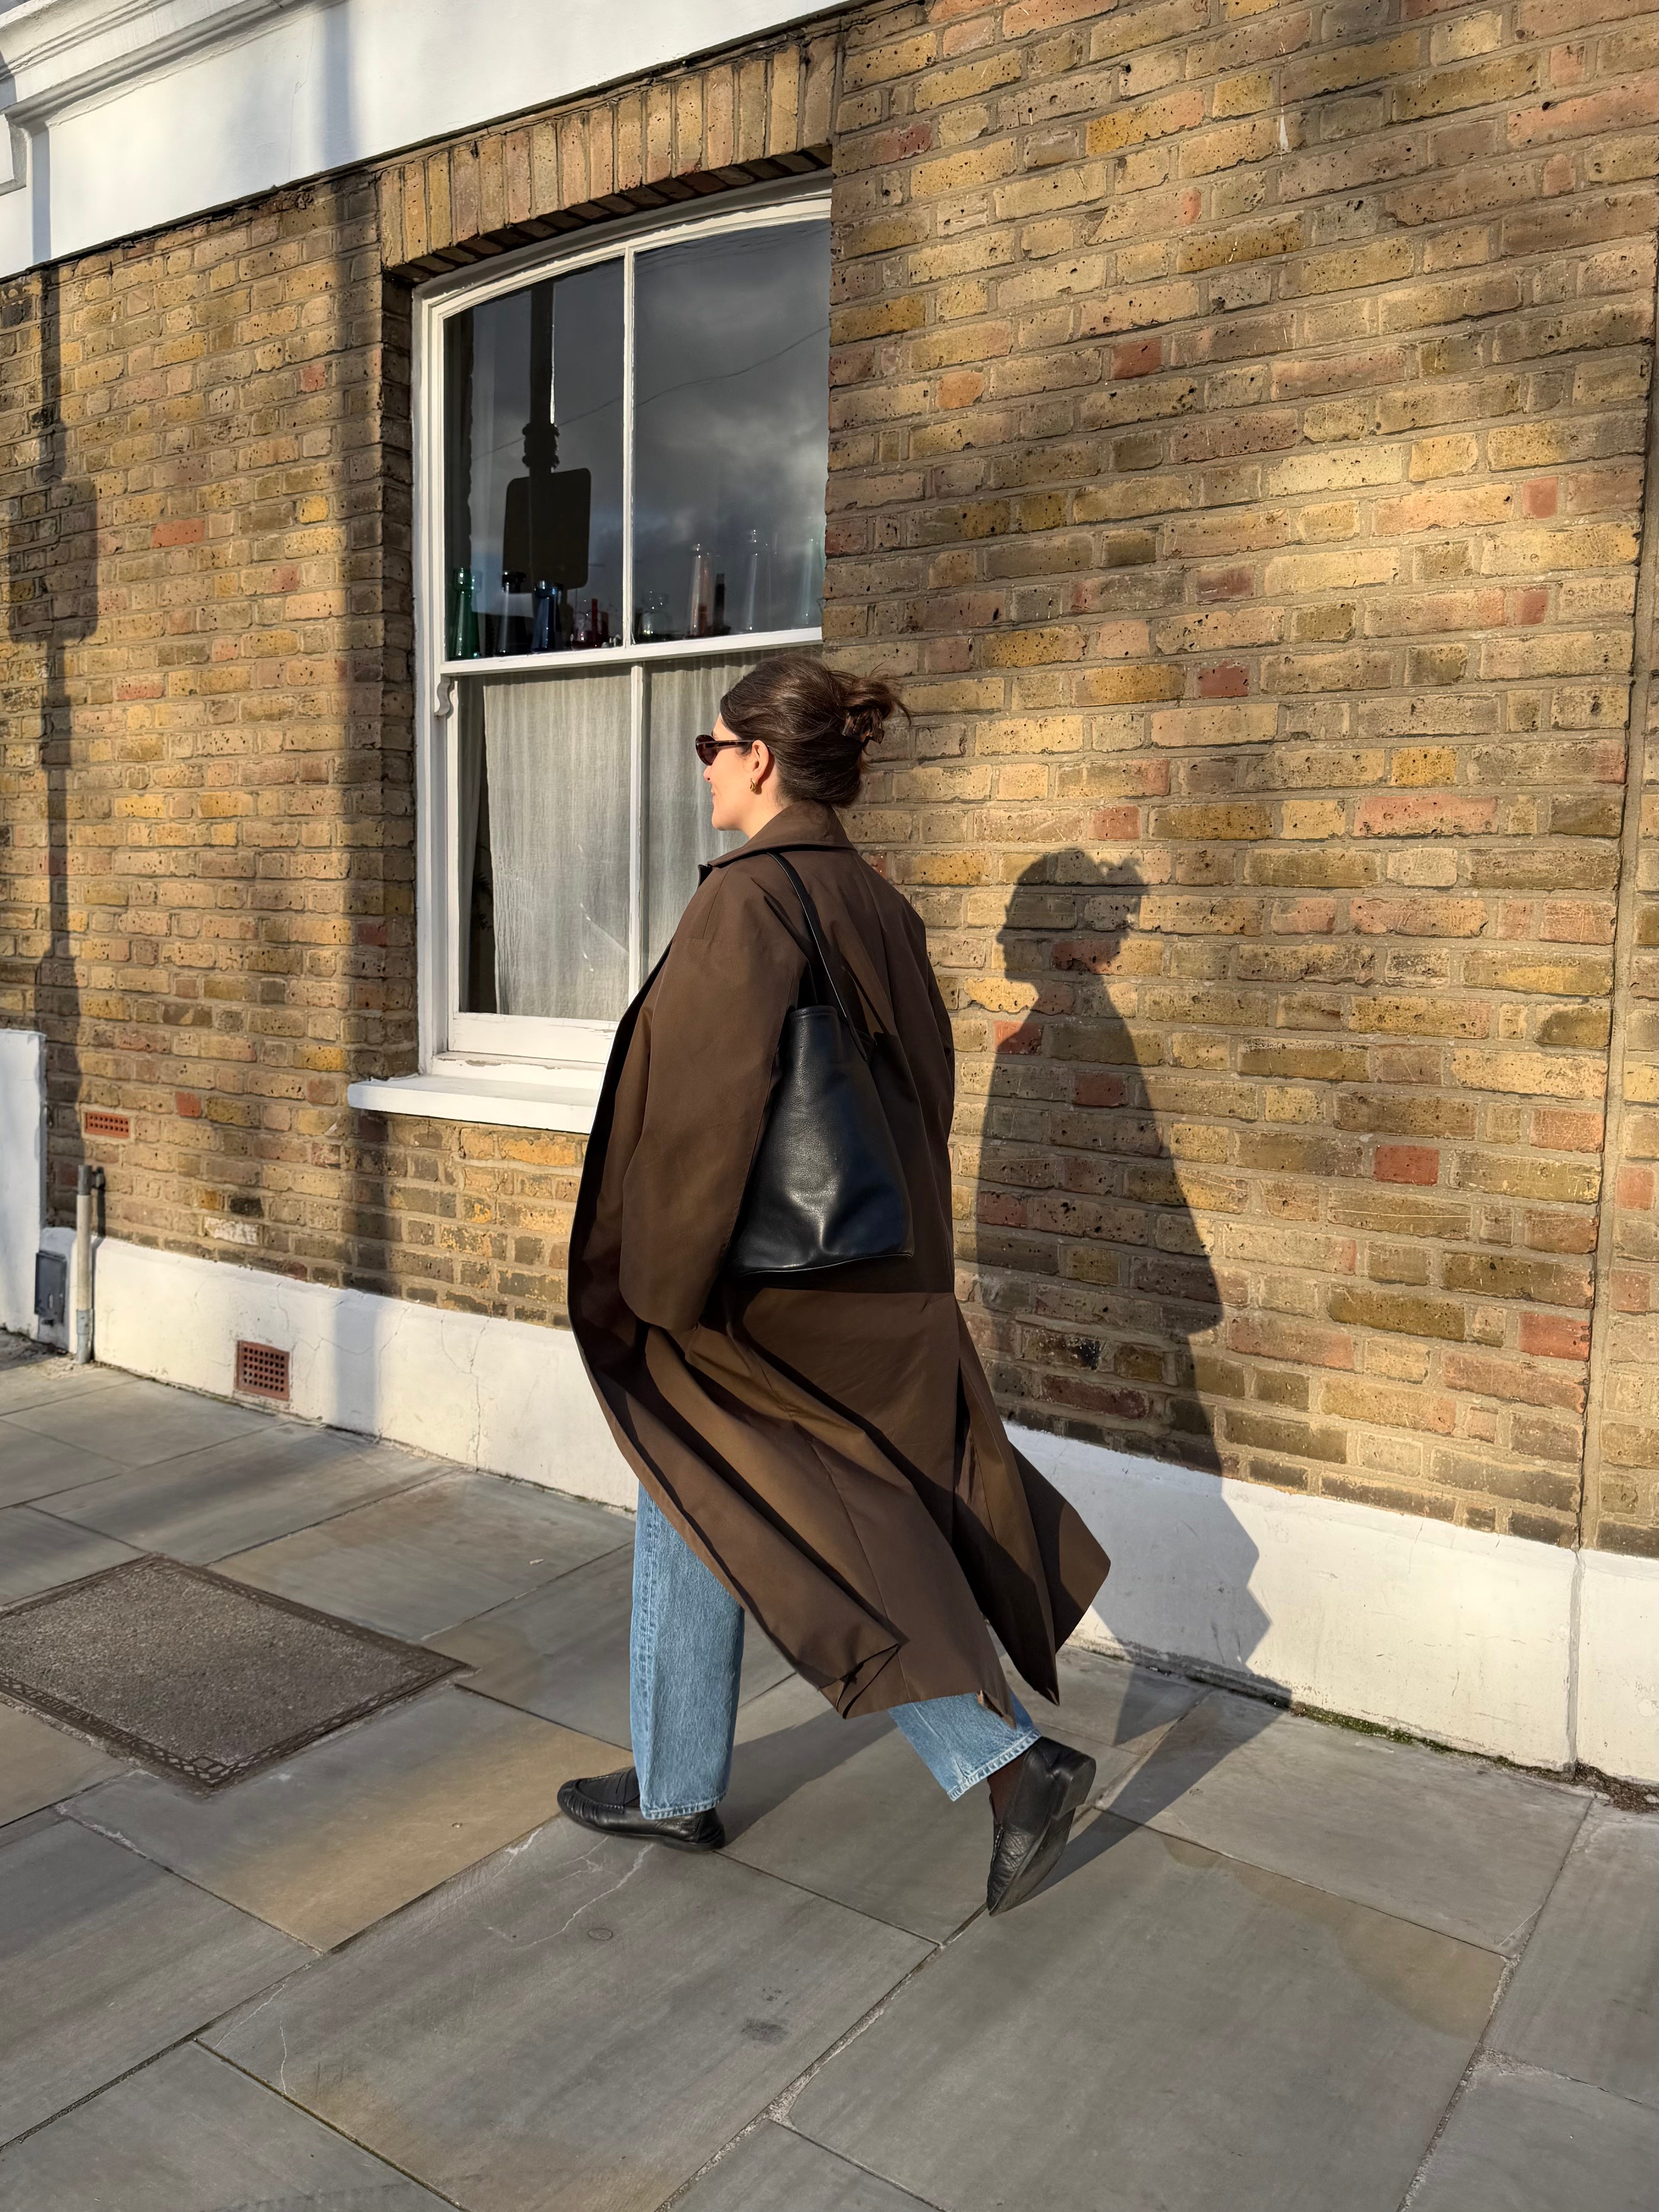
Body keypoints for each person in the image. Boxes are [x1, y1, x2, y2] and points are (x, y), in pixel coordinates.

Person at [559, 656, 1109, 1916]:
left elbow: (702, 1122)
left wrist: (656, 1297)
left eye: (712, 748)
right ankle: (676, 1779)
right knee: (704, 1492)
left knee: (821, 1531)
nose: (704, 770)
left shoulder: (747, 903)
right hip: (866, 1270)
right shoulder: (878, 903)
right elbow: (926, 1098)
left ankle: (1011, 1766)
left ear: (759, 759)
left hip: (760, 1289)